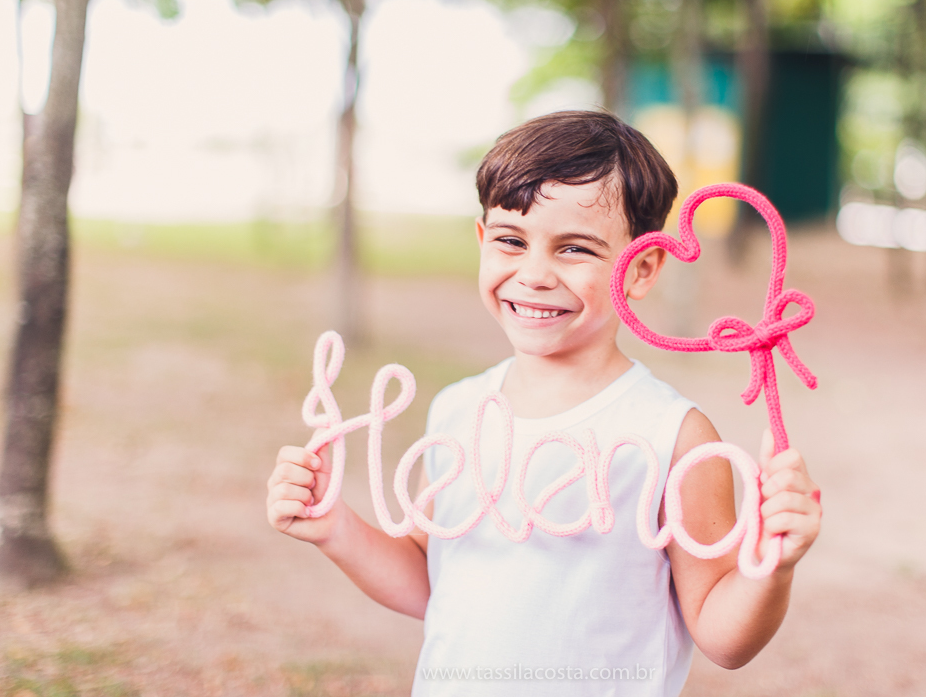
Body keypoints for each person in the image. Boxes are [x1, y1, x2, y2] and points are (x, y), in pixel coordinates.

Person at [266, 110, 822, 695]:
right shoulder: (458, 410)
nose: (533, 274)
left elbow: (723, 636)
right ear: (482, 240)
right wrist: (333, 526)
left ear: (643, 267)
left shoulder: (674, 437)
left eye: (574, 249)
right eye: (511, 240)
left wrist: (772, 567)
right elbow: (435, 586)